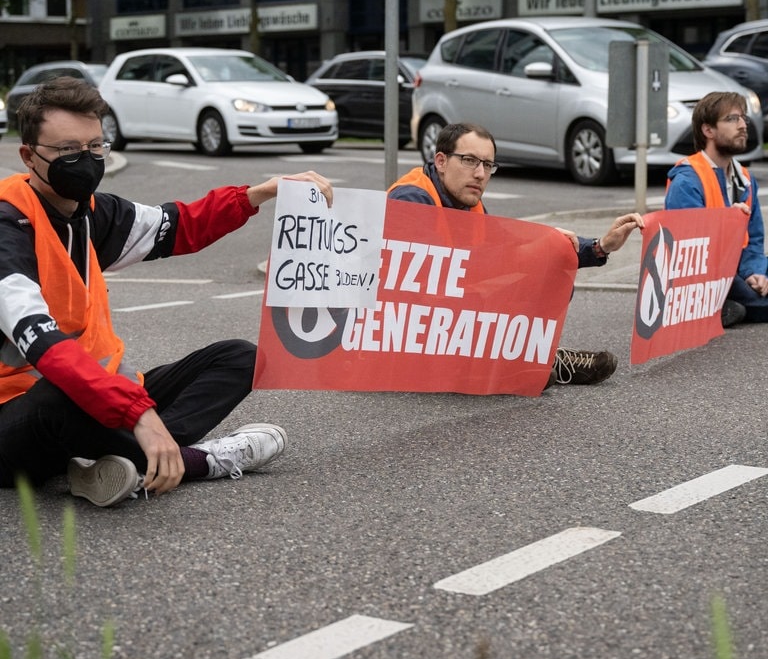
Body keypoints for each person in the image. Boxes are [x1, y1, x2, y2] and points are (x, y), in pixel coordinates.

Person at [0, 76, 333, 507]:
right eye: (68, 150)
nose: (86, 159)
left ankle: (121, 464)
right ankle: (199, 460)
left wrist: (260, 194)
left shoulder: (93, 214)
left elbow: (178, 225)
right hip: (17, 419)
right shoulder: (8, 227)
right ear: (29, 156)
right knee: (58, 396)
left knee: (241, 357)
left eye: (95, 146)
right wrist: (139, 413)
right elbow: (42, 344)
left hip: (100, 396)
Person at [388, 122, 645, 387]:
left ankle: (532, 358)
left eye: (488, 165)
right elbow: (426, 288)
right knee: (493, 286)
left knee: (551, 268)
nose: (479, 174)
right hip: (404, 336)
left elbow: (510, 243)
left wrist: (599, 246)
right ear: (441, 161)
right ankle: (519, 363)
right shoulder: (410, 199)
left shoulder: (465, 201)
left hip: (443, 325)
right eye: (469, 161)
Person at [665, 90, 765, 326]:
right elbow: (692, 253)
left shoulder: (745, 178)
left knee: (759, 283)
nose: (742, 126)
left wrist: (755, 272)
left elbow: (755, 239)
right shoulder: (688, 180)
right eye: (732, 119)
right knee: (757, 301)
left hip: (736, 268)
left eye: (743, 119)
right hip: (703, 276)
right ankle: (713, 307)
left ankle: (723, 308)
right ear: (708, 130)